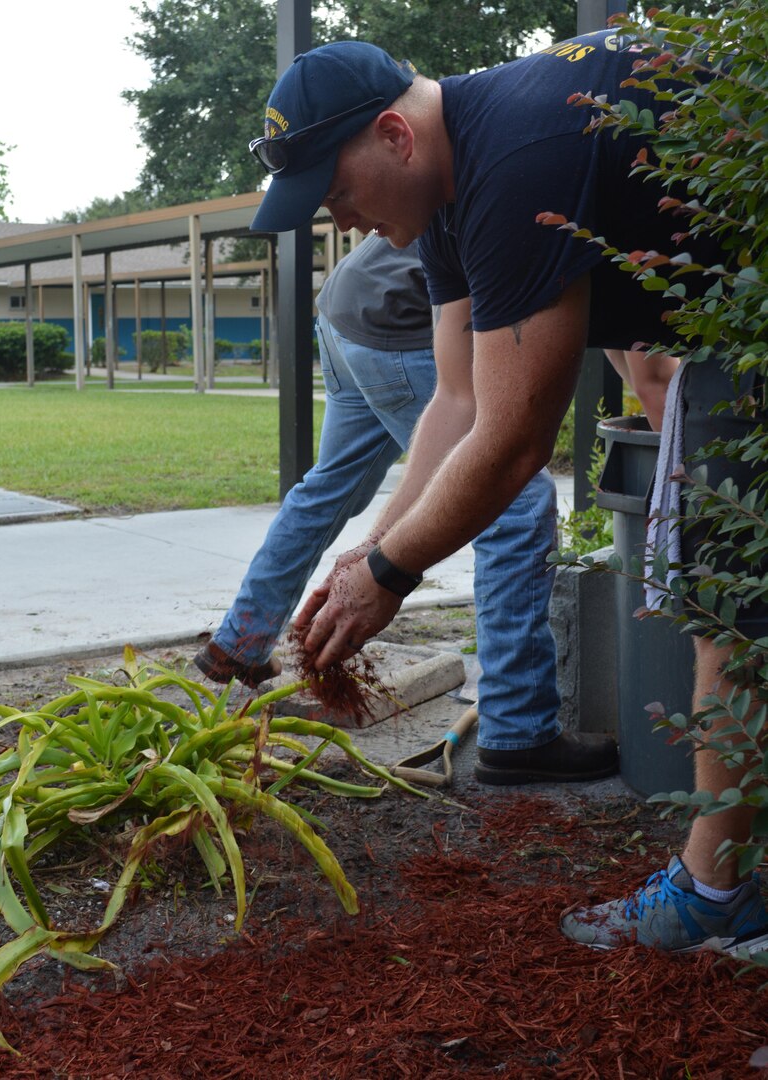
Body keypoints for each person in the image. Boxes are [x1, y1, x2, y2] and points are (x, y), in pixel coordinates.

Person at [246, 34, 768, 955]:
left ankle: (713, 896)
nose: (341, 221)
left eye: (336, 191)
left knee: (730, 605)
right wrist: (370, 546)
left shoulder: (520, 153)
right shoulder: (450, 196)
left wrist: (391, 575)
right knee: (729, 603)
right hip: (734, 329)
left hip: (747, 320)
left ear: (393, 136)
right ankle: (720, 890)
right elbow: (460, 401)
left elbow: (517, 441)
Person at [195, 232, 618, 784]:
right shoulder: (552, 218)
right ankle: (520, 730)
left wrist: (379, 548)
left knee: (331, 485)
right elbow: (464, 398)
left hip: (346, 310)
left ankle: (239, 643)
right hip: (400, 323)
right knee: (515, 499)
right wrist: (386, 563)